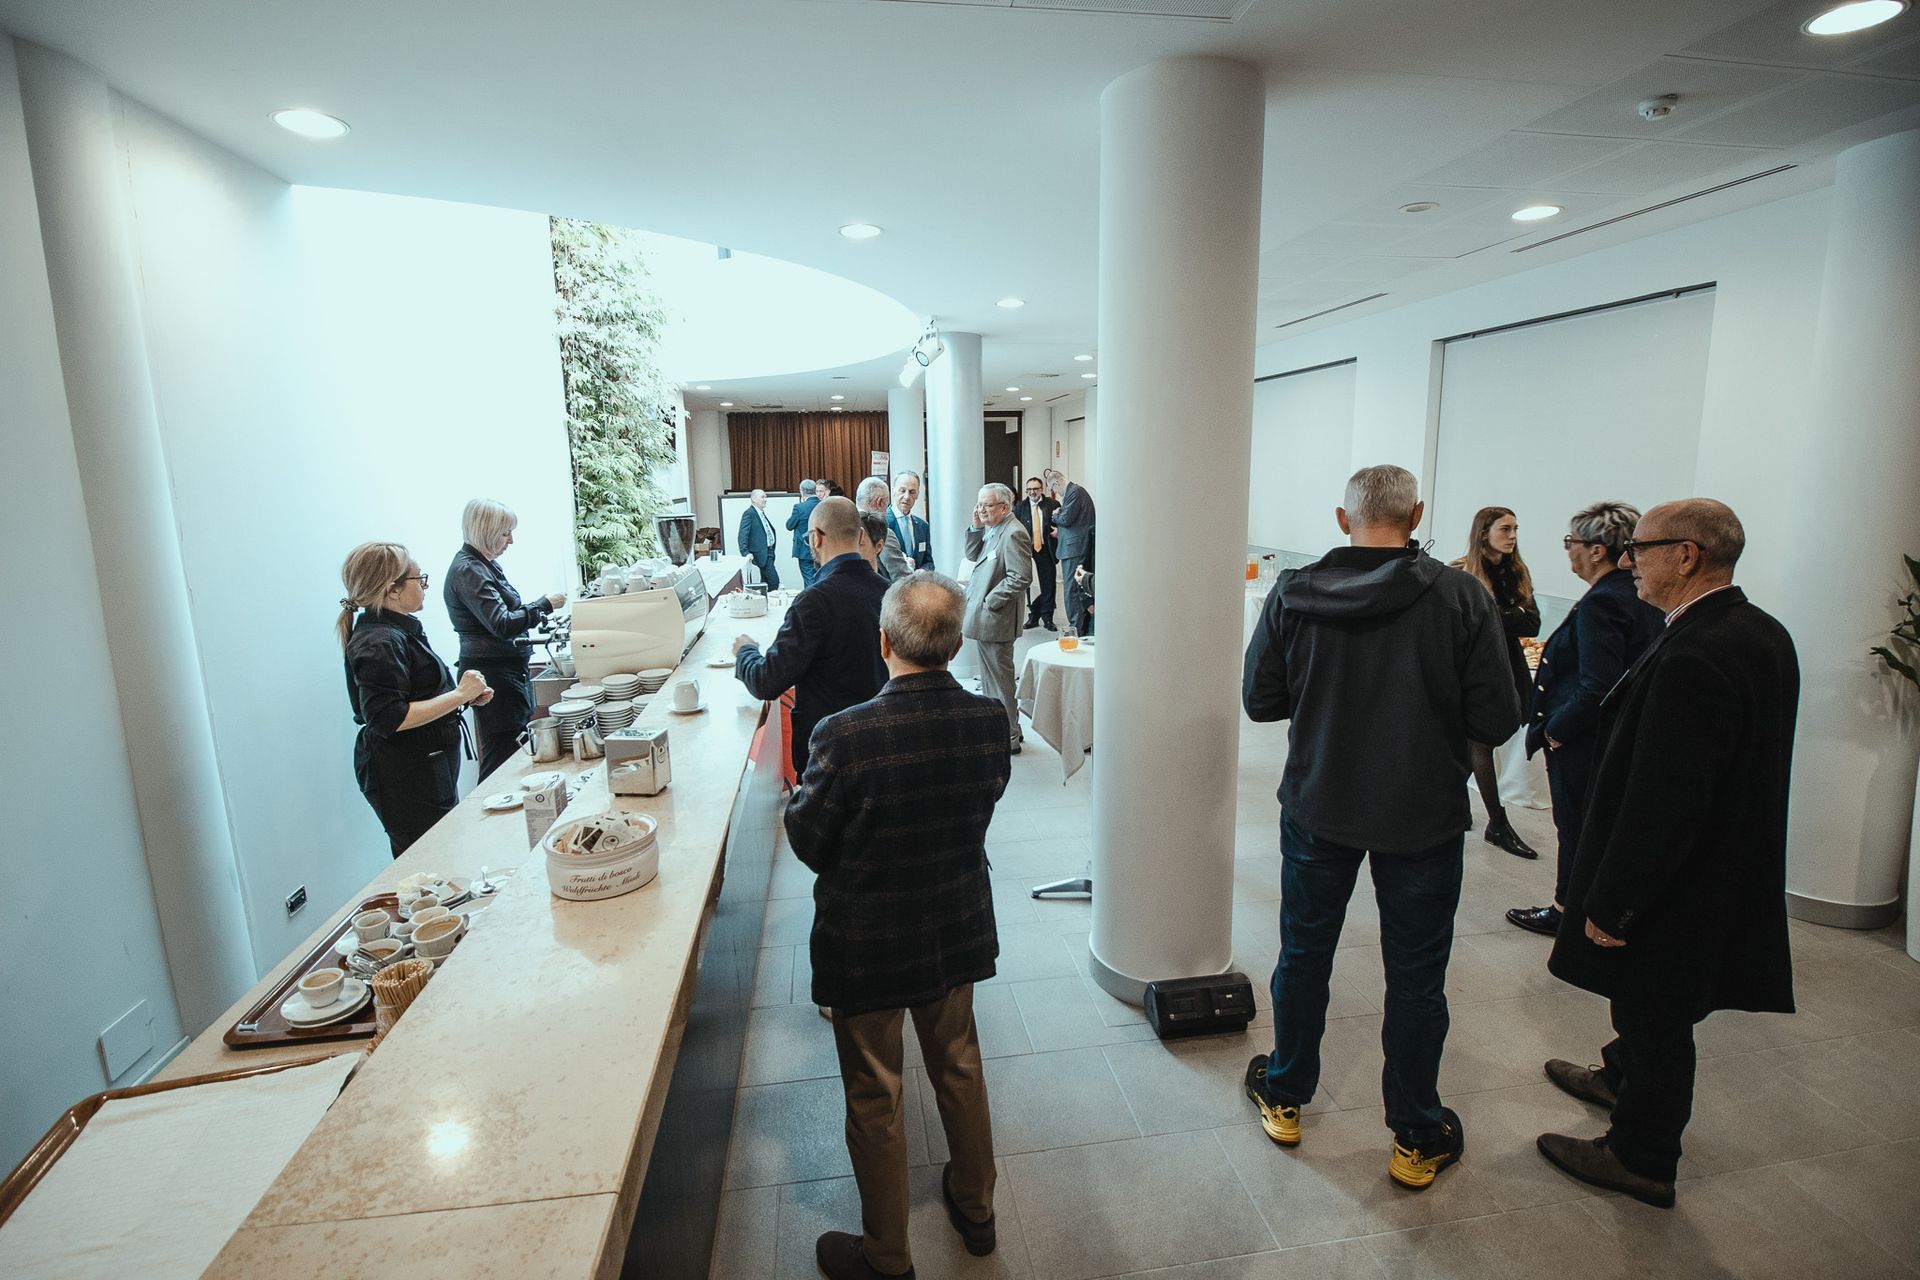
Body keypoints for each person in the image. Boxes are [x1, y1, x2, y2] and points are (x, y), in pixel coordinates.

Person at [1241, 465, 1519, 1189]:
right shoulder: (1461, 597)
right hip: (1421, 810)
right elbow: (1496, 717)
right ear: (1417, 513)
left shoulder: (1295, 592)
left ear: (1343, 519)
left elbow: (1261, 700)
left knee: (1304, 954)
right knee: (1417, 977)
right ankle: (1416, 1136)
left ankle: (1286, 1094)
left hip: (1319, 800)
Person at [1537, 499, 1798, 1210]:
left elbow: (1668, 799)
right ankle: (1619, 1074)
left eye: (1641, 550)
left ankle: (1642, 1153)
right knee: (1646, 1007)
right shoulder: (1757, 631)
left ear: (1686, 556)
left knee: (1656, 1012)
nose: (1630, 563)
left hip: (1677, 880)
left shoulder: (1698, 651)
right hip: (1715, 866)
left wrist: (1615, 902)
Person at [784, 571, 1008, 1280]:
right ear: (954, 641)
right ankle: (975, 1208)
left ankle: (886, 1255)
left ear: (884, 643)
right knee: (960, 1066)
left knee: (876, 1095)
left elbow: (810, 842)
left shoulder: (844, 736)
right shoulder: (988, 722)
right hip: (953, 922)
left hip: (867, 942)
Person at [1505, 503, 1663, 937]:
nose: (1568, 551)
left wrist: (1555, 731)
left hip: (1586, 741)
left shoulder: (1603, 602)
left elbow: (1598, 684)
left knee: (1577, 827)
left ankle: (1566, 910)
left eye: (1570, 542)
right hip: (1615, 737)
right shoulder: (1638, 593)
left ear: (1596, 550)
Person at [340, 542, 494, 857]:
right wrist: (459, 694)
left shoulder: (398, 632)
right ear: (392, 590)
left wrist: (463, 699)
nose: (424, 586)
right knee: (428, 860)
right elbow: (389, 718)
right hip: (406, 774)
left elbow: (417, 696)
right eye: (418, 579)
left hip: (428, 763)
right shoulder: (378, 642)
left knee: (444, 853)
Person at [733, 497, 887, 777]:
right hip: (882, 744)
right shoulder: (890, 593)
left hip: (829, 755)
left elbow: (766, 682)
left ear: (816, 538)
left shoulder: (813, 602)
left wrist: (745, 651)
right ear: (861, 535)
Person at [443, 499, 566, 783]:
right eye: (505, 533)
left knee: (512, 752)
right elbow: (501, 623)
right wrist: (543, 605)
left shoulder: (485, 566)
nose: (511, 540)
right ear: (486, 531)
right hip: (495, 678)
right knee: (503, 760)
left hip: (506, 672)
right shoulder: (469, 571)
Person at [1450, 506, 1542, 859]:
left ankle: (1461, 808)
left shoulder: (1517, 571)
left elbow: (1532, 623)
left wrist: (1497, 615)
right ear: (1484, 532)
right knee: (1479, 743)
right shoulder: (1461, 571)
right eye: (1505, 529)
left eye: (1516, 528)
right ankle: (1497, 823)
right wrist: (1510, 614)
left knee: (1479, 740)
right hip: (1471, 666)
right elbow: (1466, 624)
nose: (1513, 536)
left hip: (1508, 664)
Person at [963, 483, 1033, 754]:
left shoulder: (1013, 532)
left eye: (987, 505)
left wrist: (990, 601)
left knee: (1000, 682)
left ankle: (1009, 737)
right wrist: (976, 527)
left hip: (997, 618)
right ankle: (1009, 728)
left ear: (1004, 507)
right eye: (979, 504)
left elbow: (1020, 577)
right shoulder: (994, 528)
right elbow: (972, 555)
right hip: (987, 618)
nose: (981, 509)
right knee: (992, 680)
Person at [1052, 472, 1095, 636]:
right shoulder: (1076, 492)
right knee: (1075, 588)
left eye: (1054, 488)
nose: (1056, 493)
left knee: (1071, 589)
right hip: (1075, 547)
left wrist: (1056, 514)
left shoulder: (1074, 492)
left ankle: (1074, 629)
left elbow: (1066, 519)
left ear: (1057, 483)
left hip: (1074, 549)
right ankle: (1078, 628)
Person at [1013, 475, 1059, 630]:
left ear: (1042, 489)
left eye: (1035, 489)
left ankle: (1047, 618)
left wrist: (1059, 532)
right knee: (1031, 587)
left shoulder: (1052, 505)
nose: (1032, 492)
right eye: (1029, 489)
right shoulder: (1020, 507)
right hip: (1028, 552)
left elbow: (1061, 524)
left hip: (1046, 550)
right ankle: (1033, 617)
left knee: (1048, 585)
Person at [855, 476, 912, 581]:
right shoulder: (882, 532)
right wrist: (909, 566)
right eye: (887, 505)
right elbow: (902, 577)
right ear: (880, 502)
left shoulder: (845, 528)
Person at [737, 487, 781, 590]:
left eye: (766, 496)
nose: (765, 499)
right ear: (753, 499)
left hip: (768, 551)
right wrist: (745, 552)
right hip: (761, 553)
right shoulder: (749, 513)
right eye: (762, 497)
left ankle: (764, 601)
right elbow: (743, 534)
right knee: (774, 581)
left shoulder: (760, 513)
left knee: (765, 581)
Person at [889, 471, 933, 571]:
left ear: (917, 494)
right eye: (902, 490)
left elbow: (929, 562)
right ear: (893, 491)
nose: (907, 497)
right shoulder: (882, 523)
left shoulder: (923, 526)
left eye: (912, 492)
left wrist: (923, 571)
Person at [787, 479, 821, 587]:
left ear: (802, 492)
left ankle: (811, 601)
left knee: (808, 579)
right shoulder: (823, 505)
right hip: (821, 547)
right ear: (815, 490)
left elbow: (789, 525)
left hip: (804, 550)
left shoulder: (799, 507)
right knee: (820, 578)